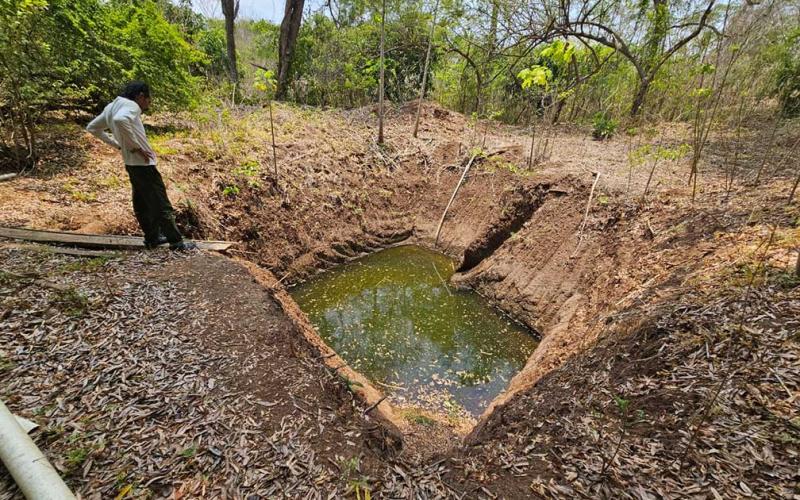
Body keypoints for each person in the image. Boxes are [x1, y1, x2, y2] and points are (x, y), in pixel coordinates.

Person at [86, 81, 196, 251]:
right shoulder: (130, 106)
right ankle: (176, 242)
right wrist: (135, 147)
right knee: (161, 203)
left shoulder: (112, 106)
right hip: (143, 164)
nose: (147, 104)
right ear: (140, 96)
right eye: (148, 100)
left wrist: (118, 145)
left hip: (131, 164)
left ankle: (152, 238)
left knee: (141, 203)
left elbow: (93, 127)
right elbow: (120, 120)